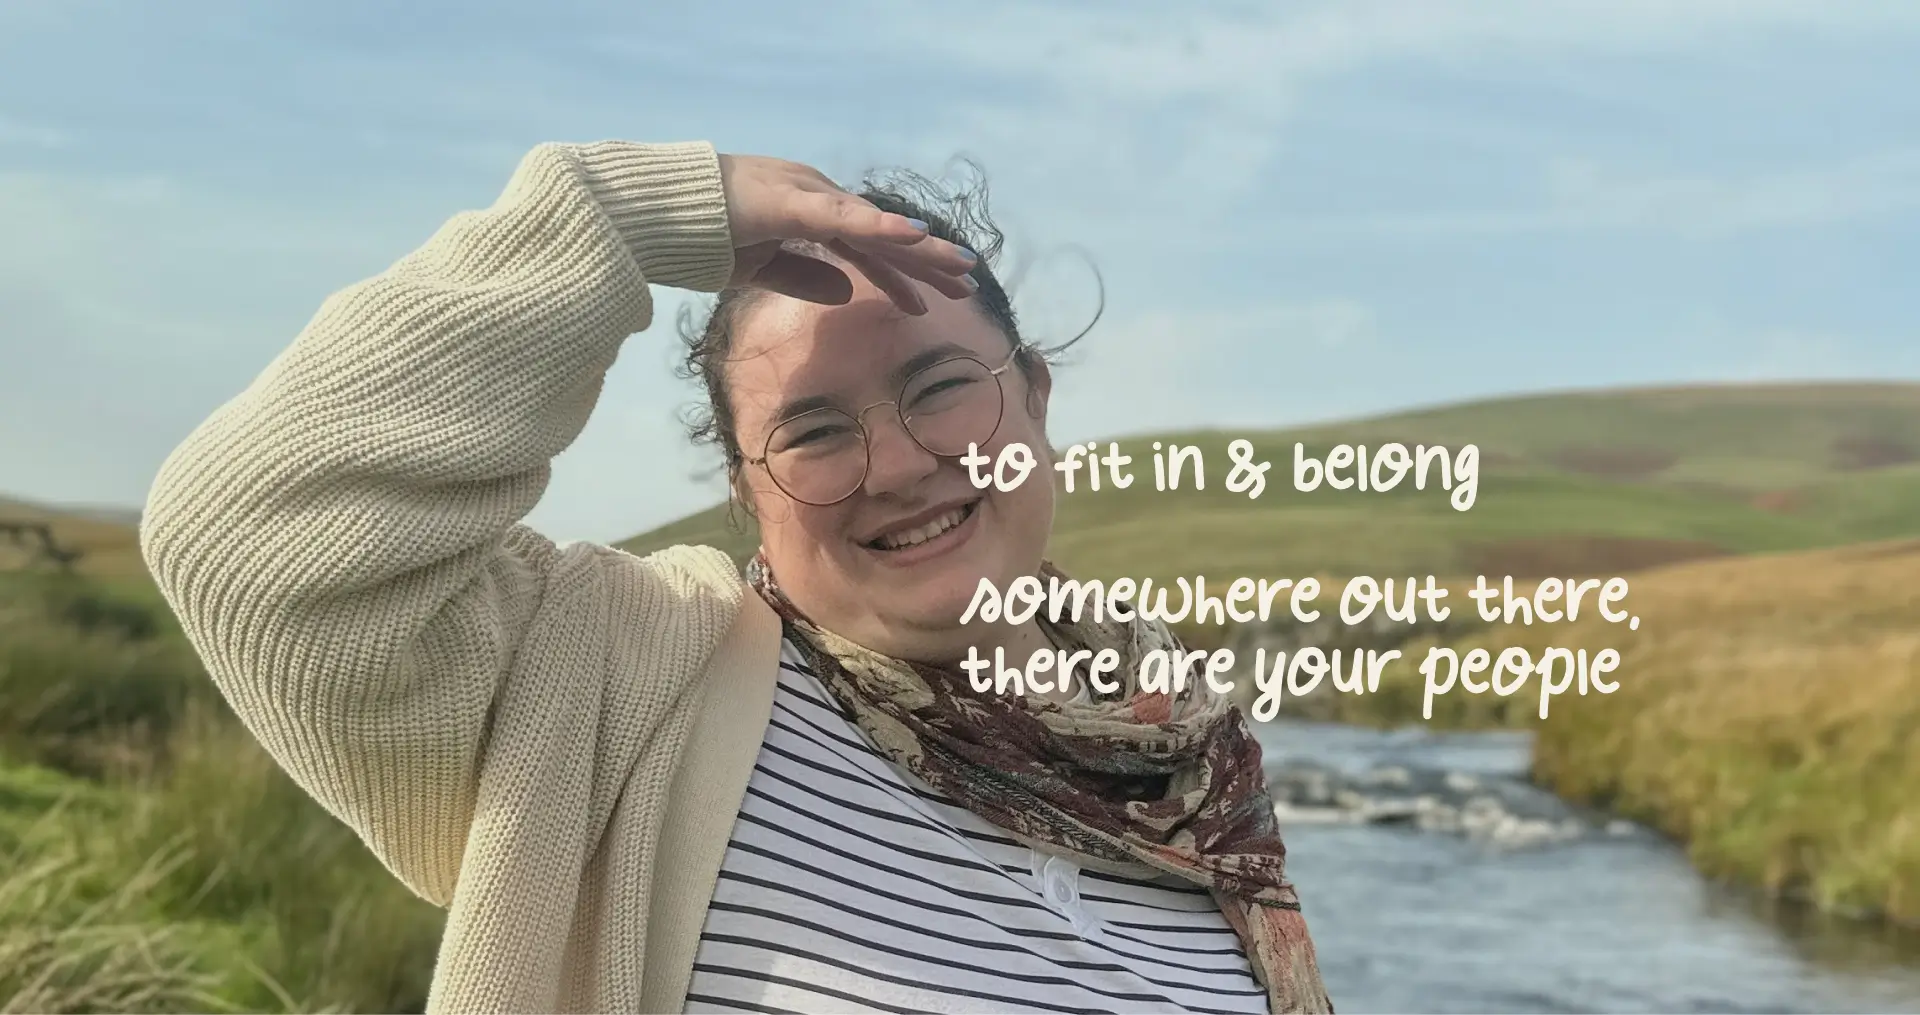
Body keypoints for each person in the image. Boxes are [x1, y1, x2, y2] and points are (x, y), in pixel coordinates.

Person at [140, 138, 1331, 1014]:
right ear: (744, 490)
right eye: (813, 430)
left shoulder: (1192, 777)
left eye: (942, 387)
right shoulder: (617, 684)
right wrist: (612, 216)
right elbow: (246, 530)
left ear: (1036, 399)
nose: (901, 464)